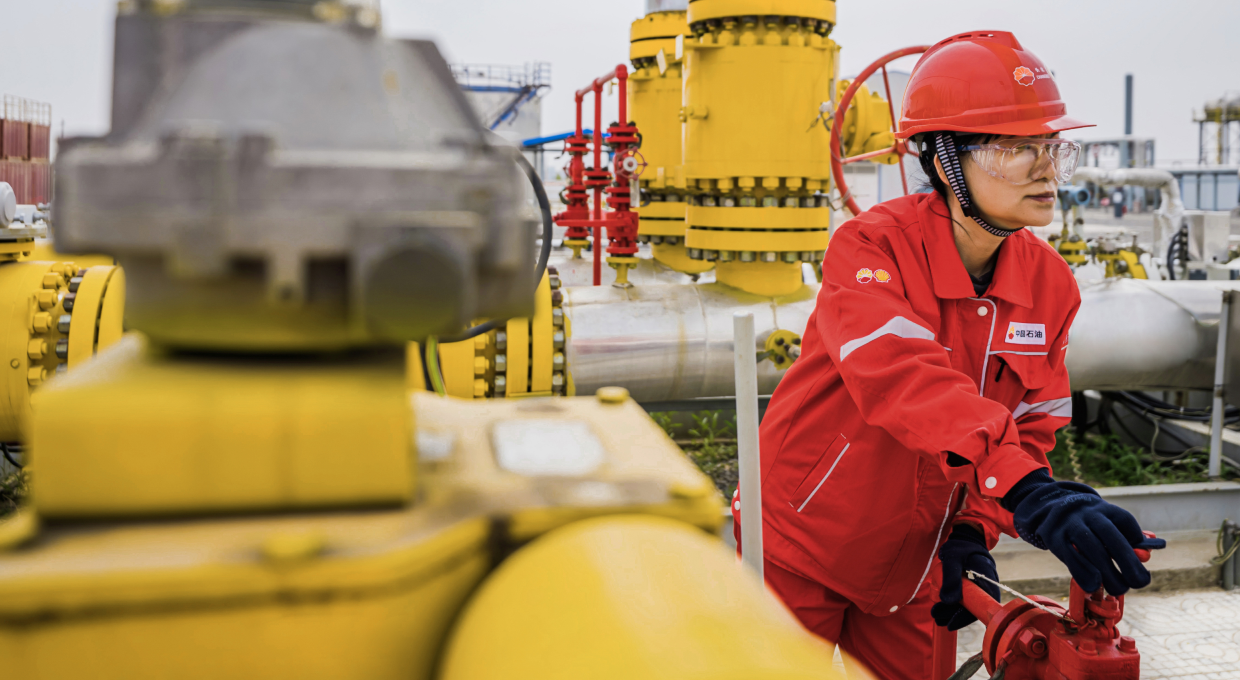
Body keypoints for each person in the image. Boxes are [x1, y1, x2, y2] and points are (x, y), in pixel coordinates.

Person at [731, 31, 1164, 679]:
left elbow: (1035, 422)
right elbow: (903, 377)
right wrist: (1026, 491)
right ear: (944, 161)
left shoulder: (1050, 285)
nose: (1047, 169)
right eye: (1019, 148)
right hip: (798, 546)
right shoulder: (870, 249)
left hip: (916, 565)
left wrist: (974, 531)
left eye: (1051, 147)